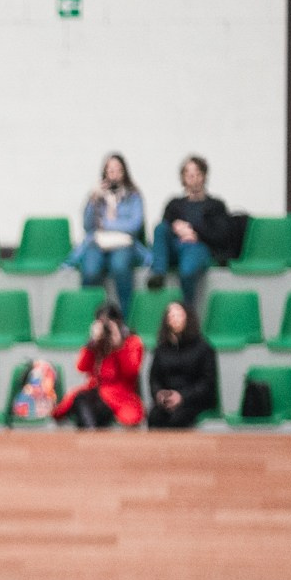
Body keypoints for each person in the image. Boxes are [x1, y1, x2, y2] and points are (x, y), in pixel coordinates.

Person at [147, 155, 240, 309]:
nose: (193, 178)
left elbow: (222, 235)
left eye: (197, 173)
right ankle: (158, 274)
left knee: (187, 270)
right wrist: (177, 228)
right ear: (183, 178)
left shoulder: (216, 205)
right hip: (176, 246)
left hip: (199, 247)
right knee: (160, 228)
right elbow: (166, 227)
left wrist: (194, 232)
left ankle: (187, 310)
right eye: (189, 174)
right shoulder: (174, 204)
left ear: (204, 176)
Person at [64, 154, 147, 320]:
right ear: (104, 173)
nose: (114, 174)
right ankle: (91, 320)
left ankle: (124, 319)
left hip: (124, 244)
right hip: (98, 243)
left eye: (118, 170)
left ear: (124, 172)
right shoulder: (97, 197)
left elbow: (134, 225)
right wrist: (92, 201)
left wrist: (107, 224)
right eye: (110, 170)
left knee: (120, 267)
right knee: (90, 270)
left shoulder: (134, 196)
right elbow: (88, 226)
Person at [53, 301, 144, 429]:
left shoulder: (132, 342)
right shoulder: (97, 343)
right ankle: (91, 435)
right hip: (95, 393)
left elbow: (131, 371)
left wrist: (118, 344)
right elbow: (82, 367)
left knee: (84, 404)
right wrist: (92, 342)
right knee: (80, 400)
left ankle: (91, 436)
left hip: (121, 396)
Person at [145, 302, 218, 430]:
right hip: (167, 401)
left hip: (194, 401)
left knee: (178, 419)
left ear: (187, 317)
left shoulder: (203, 348)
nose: (174, 318)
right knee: (154, 417)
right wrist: (159, 394)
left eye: (178, 315)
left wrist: (182, 396)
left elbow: (207, 383)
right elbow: (154, 378)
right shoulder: (161, 349)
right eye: (170, 315)